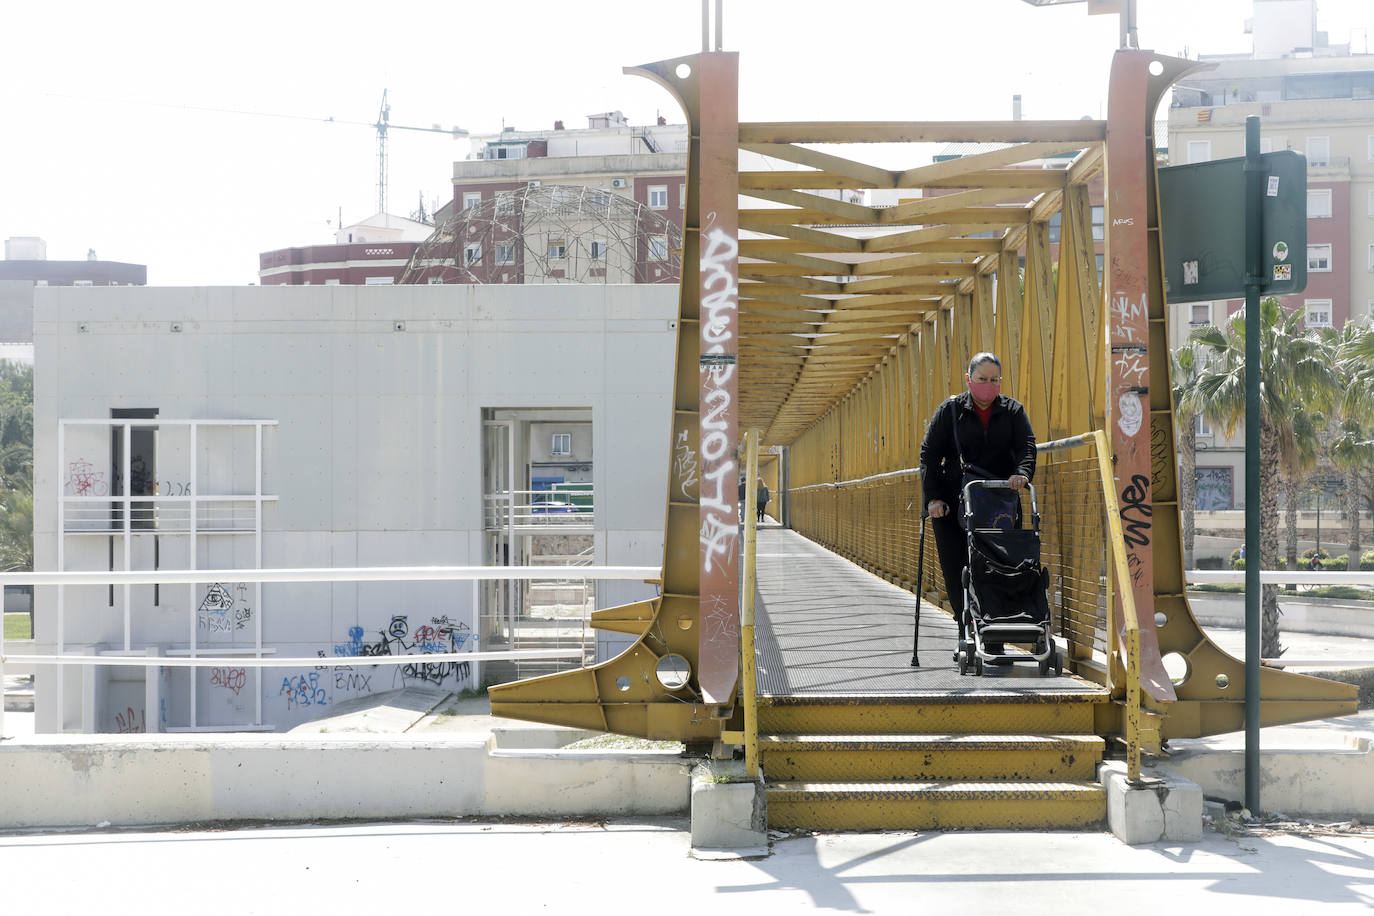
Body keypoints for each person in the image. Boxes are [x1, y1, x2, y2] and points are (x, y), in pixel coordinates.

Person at [919, 352, 1037, 656]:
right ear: (968, 379)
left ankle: (994, 634)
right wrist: (933, 499)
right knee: (957, 567)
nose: (988, 385)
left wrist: (1022, 474)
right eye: (982, 379)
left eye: (994, 380)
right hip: (953, 504)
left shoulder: (1012, 411)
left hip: (999, 504)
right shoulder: (950, 410)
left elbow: (1026, 446)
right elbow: (929, 455)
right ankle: (966, 629)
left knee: (1000, 566)